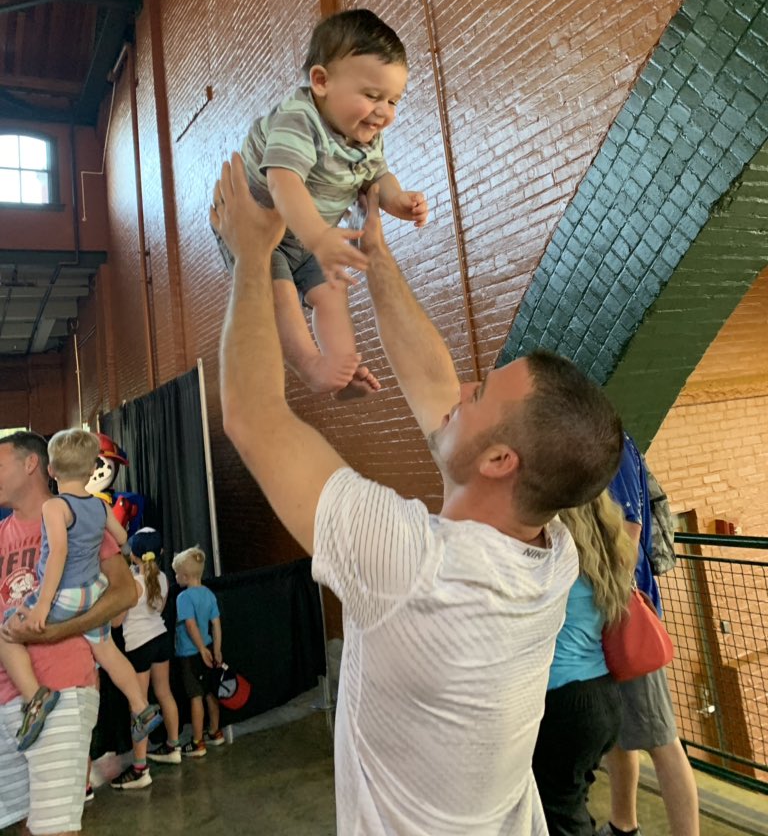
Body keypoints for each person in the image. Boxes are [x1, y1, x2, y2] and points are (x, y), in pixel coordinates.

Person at [209, 154, 624, 834]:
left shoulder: (416, 567)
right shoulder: (551, 552)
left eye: (481, 394)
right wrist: (377, 256)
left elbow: (254, 418)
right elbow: (437, 388)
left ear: (498, 460)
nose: (462, 389)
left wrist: (253, 258)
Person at [219, 8, 428, 400]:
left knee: (332, 292)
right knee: (280, 294)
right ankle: (312, 367)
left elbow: (378, 176)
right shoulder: (299, 119)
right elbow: (283, 183)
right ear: (321, 81)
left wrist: (398, 200)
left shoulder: (364, 136)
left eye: (393, 100)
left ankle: (341, 369)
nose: (384, 112)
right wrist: (318, 237)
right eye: (371, 96)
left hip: (314, 234)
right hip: (262, 229)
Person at [0, 430, 138, 836]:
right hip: (10, 696)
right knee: (28, 823)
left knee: (55, 828)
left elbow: (125, 591)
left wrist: (54, 630)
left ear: (31, 465)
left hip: (61, 688)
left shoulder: (76, 516)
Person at [0, 428, 161, 752]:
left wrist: (44, 611)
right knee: (109, 653)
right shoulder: (99, 508)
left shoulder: (56, 510)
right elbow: (121, 537)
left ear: (42, 467)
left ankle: (36, 696)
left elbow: (60, 554)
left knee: (6, 626)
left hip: (66, 616)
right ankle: (140, 705)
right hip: (89, 590)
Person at [599, 435, 699, 836]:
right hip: (603, 615)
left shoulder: (610, 443)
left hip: (623, 614)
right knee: (618, 737)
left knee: (661, 738)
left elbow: (628, 531)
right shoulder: (593, 438)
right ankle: (623, 824)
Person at [532, 491, 635, 835]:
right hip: (602, 695)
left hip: (564, 701)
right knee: (569, 803)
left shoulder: (556, 551)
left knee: (558, 812)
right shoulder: (601, 552)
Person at [109, 527, 182, 790]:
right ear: (160, 552)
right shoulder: (161, 577)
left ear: (133, 556)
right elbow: (159, 608)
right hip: (161, 639)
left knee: (139, 706)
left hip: (139, 647)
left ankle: (140, 769)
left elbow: (116, 622)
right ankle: (173, 746)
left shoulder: (131, 584)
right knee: (164, 693)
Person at [172, 545, 224, 757]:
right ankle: (215, 731)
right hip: (211, 649)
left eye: (176, 573)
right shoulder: (209, 595)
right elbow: (216, 624)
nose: (175, 577)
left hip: (191, 653)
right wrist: (216, 649)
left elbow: (190, 624)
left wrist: (201, 648)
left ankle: (197, 741)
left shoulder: (183, 598)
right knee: (211, 692)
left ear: (184, 575)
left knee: (196, 696)